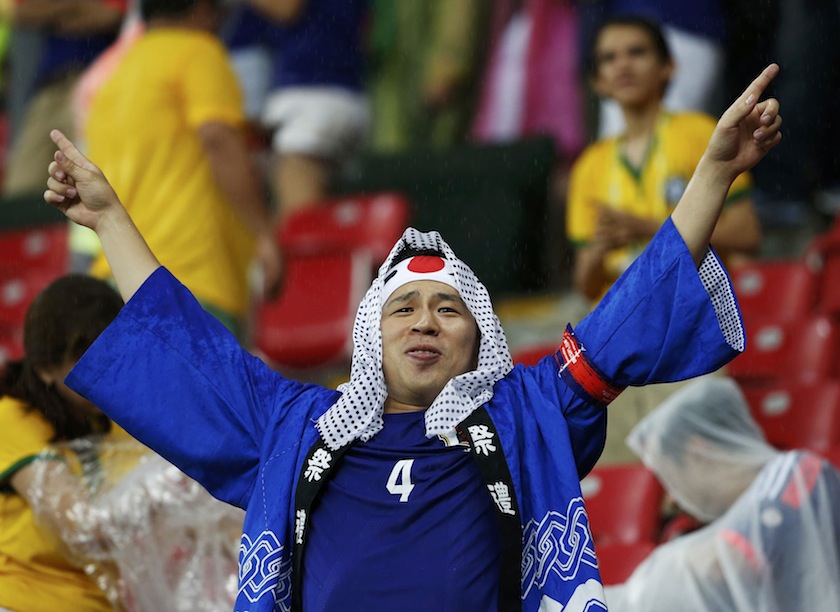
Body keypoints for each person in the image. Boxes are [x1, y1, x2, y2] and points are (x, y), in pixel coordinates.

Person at [44, 63, 782, 610]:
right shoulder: (295, 423)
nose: (425, 320)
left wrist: (712, 174)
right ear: (371, 337)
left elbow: (633, 308)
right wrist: (111, 219)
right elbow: (188, 349)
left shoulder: (527, 410)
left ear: (481, 340)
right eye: (403, 309)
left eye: (448, 309)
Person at [83, 0, 282, 340]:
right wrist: (264, 233)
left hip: (118, 281)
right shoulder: (198, 51)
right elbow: (217, 138)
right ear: (202, 9)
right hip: (190, 280)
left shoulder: (114, 77)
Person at [568, 15, 760, 306]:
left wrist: (650, 229)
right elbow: (585, 285)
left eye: (637, 52)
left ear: (668, 67)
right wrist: (600, 250)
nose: (623, 65)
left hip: (697, 315)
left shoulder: (703, 133)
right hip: (622, 324)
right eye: (608, 58)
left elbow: (747, 236)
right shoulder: (588, 166)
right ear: (597, 81)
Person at [605, 377, 840, 611]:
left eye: (670, 480)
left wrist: (668, 570)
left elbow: (723, 561)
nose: (674, 499)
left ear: (698, 453)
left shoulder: (797, 470)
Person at [0, 274, 123, 611]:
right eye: (85, 358)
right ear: (44, 369)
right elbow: (82, 526)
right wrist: (165, 489)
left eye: (112, 352)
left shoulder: (117, 419)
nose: (105, 372)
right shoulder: (11, 419)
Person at [245, 0, 370, 219]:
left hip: (311, 100)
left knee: (302, 233)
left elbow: (287, 7)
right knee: (326, 231)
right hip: (339, 94)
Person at [3, 0, 127, 197]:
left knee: (94, 180)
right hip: (48, 89)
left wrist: (54, 13)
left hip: (97, 84)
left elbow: (109, 16)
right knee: (19, 187)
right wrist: (75, 6)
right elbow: (21, 14)